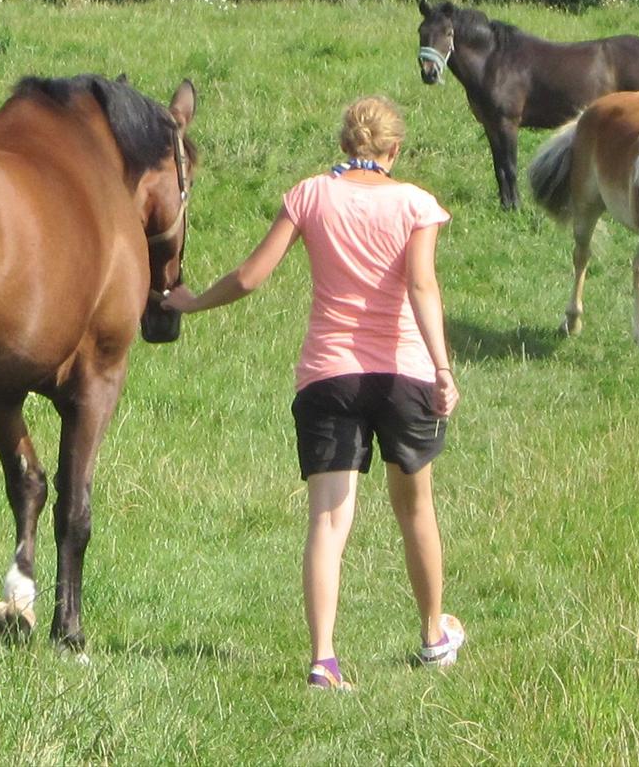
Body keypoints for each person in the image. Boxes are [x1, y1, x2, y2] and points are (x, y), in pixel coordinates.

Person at [161, 95, 464, 689]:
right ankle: (433, 635)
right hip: (405, 374)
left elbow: (250, 276)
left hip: (329, 376)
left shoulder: (309, 195)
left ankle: (324, 659)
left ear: (344, 144)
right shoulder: (414, 204)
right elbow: (422, 286)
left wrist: (192, 301)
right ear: (393, 151)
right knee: (416, 509)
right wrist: (443, 368)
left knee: (328, 522)